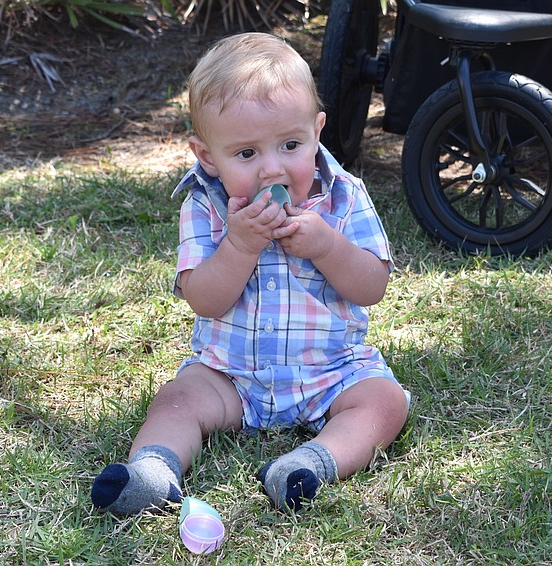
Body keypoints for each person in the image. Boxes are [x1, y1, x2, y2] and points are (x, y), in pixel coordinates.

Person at [91, 32, 409, 515]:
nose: (272, 169)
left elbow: (373, 286)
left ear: (317, 131)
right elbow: (205, 299)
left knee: (385, 402)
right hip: (230, 377)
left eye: (290, 144)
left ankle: (310, 465)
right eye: (246, 154)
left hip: (332, 371)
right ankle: (154, 472)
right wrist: (240, 245)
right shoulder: (205, 205)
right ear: (207, 157)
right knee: (177, 400)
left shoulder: (344, 197)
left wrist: (327, 244)